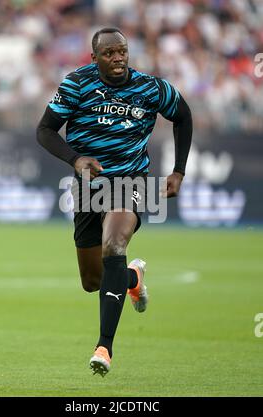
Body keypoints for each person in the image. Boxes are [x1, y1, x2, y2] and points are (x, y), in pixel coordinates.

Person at [36, 27, 192, 377]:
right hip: (89, 186)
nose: (118, 58)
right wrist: (75, 159)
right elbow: (44, 130)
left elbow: (183, 116)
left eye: (122, 51)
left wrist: (178, 171)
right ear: (95, 58)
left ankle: (104, 347)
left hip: (131, 181)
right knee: (93, 281)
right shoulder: (77, 84)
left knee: (114, 246)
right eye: (109, 53)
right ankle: (132, 278)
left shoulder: (151, 88)